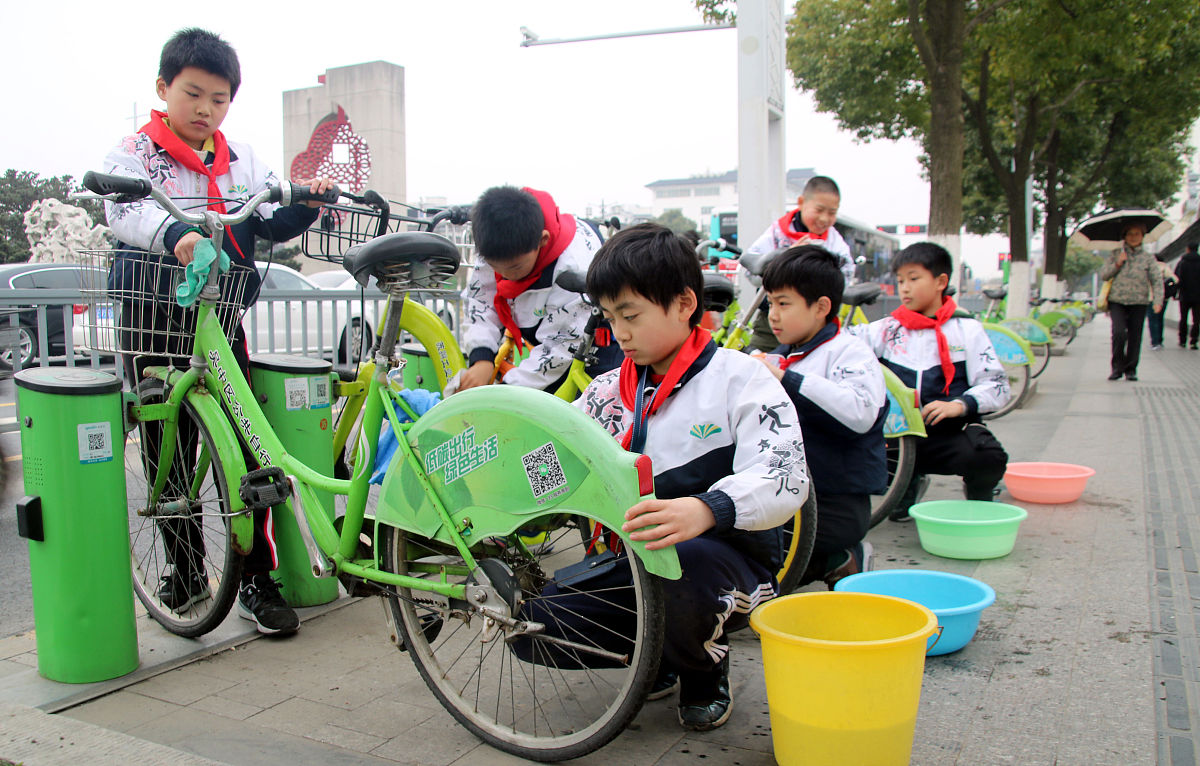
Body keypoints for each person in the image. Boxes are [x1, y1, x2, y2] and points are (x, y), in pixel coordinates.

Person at [103, 28, 334, 636]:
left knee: (247, 443)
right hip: (154, 314)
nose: (206, 110)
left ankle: (257, 579)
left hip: (219, 312)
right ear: (163, 88)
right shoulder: (135, 153)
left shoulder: (241, 159)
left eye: (220, 99)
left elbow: (267, 219)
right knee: (168, 451)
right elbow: (122, 207)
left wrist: (309, 203)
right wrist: (175, 235)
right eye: (194, 94)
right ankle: (184, 573)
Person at [570, 223, 809, 731]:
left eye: (630, 315)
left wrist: (707, 509)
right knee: (536, 625)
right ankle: (656, 655)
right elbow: (555, 450)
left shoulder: (740, 379)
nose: (620, 334)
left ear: (683, 303)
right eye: (610, 318)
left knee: (685, 568)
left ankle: (702, 669)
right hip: (633, 558)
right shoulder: (607, 390)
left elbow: (784, 475)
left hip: (728, 562)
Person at [758, 246, 887, 587]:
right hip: (788, 495)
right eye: (770, 303)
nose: (773, 315)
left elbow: (860, 413)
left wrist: (787, 379)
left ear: (822, 307)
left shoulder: (850, 351)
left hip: (834, 504)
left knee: (767, 564)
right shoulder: (781, 356)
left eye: (784, 304)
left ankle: (841, 559)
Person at [853, 242, 1010, 521]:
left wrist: (961, 405)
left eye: (914, 279)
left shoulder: (967, 330)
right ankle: (907, 486)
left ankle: (980, 496)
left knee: (988, 456)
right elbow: (840, 346)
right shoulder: (886, 330)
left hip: (947, 435)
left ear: (941, 282)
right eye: (900, 280)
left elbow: (998, 386)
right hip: (896, 440)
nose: (904, 288)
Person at [457, 185, 619, 391]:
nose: (505, 275)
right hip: (547, 335)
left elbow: (559, 347)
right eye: (495, 267)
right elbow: (482, 299)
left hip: (590, 339)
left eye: (515, 267)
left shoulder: (573, 267)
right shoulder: (495, 244)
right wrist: (481, 358)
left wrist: (504, 391)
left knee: (592, 406)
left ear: (543, 240)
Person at [744, 175, 854, 350]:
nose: (825, 219)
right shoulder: (778, 233)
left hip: (815, 325)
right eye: (819, 210)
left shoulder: (834, 242)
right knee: (757, 364)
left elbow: (846, 276)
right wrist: (785, 259)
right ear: (801, 202)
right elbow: (751, 266)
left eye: (832, 213)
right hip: (772, 324)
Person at [1099, 222, 1164, 380]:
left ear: (1142, 237)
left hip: (1139, 302)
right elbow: (1104, 275)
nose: (1133, 237)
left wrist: (1158, 300)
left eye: (1137, 234)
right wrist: (1118, 264)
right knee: (1119, 333)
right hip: (1118, 301)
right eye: (1130, 234)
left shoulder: (1148, 258)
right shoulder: (1116, 254)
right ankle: (1117, 368)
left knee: (1135, 336)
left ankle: (1131, 369)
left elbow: (1156, 280)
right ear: (1124, 237)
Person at [1147, 254, 1179, 350]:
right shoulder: (1165, 268)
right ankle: (1160, 341)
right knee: (1160, 319)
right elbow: (1176, 280)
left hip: (1151, 297)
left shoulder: (1149, 268)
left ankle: (1155, 342)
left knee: (1153, 320)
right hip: (1164, 298)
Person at [1175, 242, 1200, 349]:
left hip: (1184, 296)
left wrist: (1175, 293)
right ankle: (1194, 341)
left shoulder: (1182, 262)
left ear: (1188, 249)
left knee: (1183, 318)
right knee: (1197, 320)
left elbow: (1176, 278)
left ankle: (1182, 340)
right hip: (1198, 297)